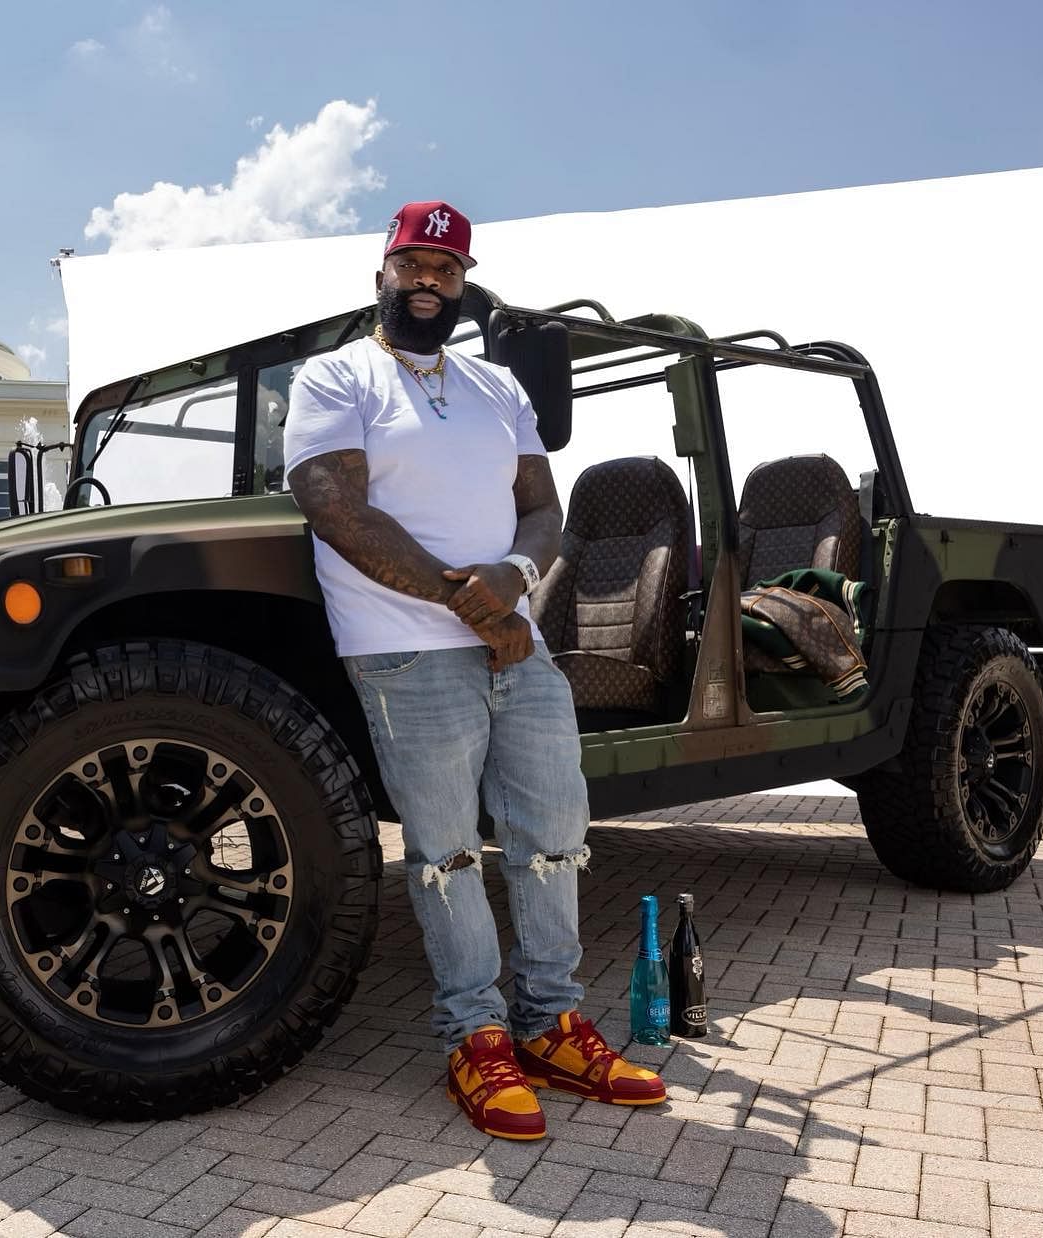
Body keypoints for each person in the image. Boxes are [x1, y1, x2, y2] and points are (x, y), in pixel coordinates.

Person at [284, 200, 666, 1141]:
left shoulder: (497, 387)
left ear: (465, 283)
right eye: (414, 265)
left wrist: (518, 579)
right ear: (382, 272)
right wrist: (475, 605)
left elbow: (543, 508)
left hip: (517, 644)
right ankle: (476, 1036)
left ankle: (552, 1024)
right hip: (404, 646)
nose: (429, 283)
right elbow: (337, 509)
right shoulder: (336, 377)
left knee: (554, 832)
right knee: (446, 850)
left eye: (447, 271)